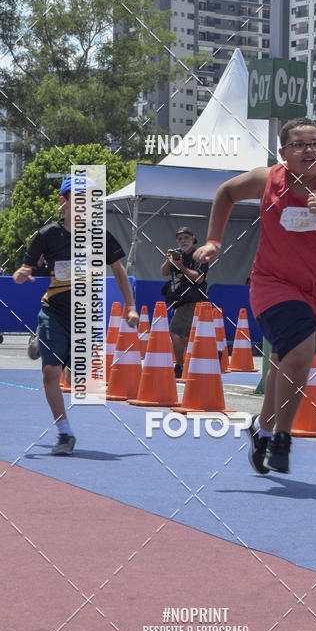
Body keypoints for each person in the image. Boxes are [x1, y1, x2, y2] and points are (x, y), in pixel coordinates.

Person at [193, 117, 316, 474]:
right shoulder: (268, 180)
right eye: (300, 145)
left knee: (286, 361)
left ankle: (261, 430)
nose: (309, 150)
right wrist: (214, 240)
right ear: (283, 152)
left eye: (315, 144)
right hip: (272, 283)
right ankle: (283, 439)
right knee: (298, 352)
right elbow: (225, 193)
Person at [13, 175, 139, 455]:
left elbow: (118, 270)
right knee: (50, 374)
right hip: (54, 312)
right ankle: (64, 433)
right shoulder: (48, 235)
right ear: (64, 202)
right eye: (78, 198)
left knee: (76, 380)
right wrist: (22, 273)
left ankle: (39, 342)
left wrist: (130, 306)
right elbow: (24, 269)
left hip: (84, 316)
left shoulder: (100, 235)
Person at [160, 226, 209, 378]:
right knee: (188, 336)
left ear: (193, 239)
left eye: (186, 238)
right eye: (180, 238)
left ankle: (181, 365)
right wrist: (169, 260)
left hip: (194, 301)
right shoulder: (177, 255)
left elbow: (200, 278)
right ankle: (204, 358)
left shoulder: (200, 255)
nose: (183, 241)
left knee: (175, 332)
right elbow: (164, 272)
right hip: (181, 302)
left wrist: (182, 267)